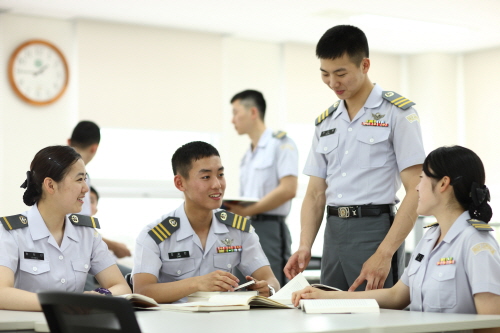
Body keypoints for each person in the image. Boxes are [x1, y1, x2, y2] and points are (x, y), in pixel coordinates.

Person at [284, 25, 426, 291]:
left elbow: (416, 191)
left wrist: (384, 254)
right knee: (331, 315)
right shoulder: (325, 122)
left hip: (374, 231)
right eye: (325, 74)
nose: (333, 83)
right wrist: (305, 245)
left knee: (376, 321)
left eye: (341, 73)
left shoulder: (398, 114)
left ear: (364, 65)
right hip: (333, 231)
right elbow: (315, 194)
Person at [292, 146, 500, 318]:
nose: (417, 187)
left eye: (422, 178)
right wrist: (322, 296)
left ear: (444, 183)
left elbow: (492, 322)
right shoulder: (430, 239)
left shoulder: (476, 243)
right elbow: (396, 295)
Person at [132, 141, 279, 303]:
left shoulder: (238, 228)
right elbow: (142, 292)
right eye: (206, 177)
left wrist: (268, 289)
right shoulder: (154, 235)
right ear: (180, 183)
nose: (217, 185)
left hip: (225, 321)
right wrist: (197, 283)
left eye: (220, 175)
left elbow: (271, 280)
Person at [0, 146, 131, 311]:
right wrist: (64, 304)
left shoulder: (86, 233)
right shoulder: (11, 233)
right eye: (79, 180)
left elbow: (121, 286)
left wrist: (102, 294)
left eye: (85, 180)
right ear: (50, 185)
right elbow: (2, 293)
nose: (85, 189)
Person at [225, 89, 298, 286]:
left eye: (235, 112)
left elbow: (289, 189)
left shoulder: (281, 143)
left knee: (273, 291)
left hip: (270, 229)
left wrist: (248, 210)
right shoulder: (248, 155)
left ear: (253, 113)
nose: (233, 120)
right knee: (245, 288)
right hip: (246, 228)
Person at [68, 122, 132, 267]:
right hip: (76, 259)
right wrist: (113, 245)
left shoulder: (55, 170)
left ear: (69, 141)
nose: (83, 189)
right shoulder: (80, 176)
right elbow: (79, 226)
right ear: (94, 148)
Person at [84, 186, 133, 291]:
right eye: (84, 199)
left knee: (135, 277)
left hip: (107, 267)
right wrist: (114, 246)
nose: (86, 203)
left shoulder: (93, 232)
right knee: (83, 266)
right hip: (88, 270)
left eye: (91, 201)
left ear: (96, 209)